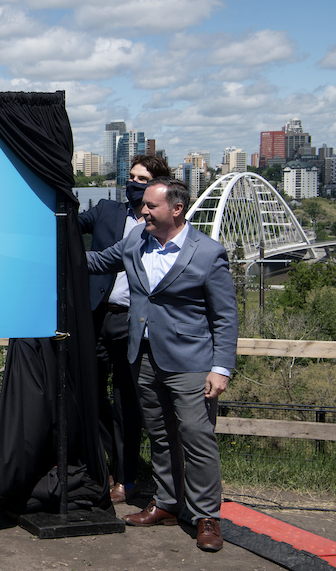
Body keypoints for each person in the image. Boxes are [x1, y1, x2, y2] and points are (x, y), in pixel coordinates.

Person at [86, 177, 238, 552]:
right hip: (145, 357)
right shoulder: (136, 239)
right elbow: (98, 261)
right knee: (160, 436)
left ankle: (206, 516)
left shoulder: (208, 252)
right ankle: (168, 504)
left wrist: (221, 367)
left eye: (151, 206)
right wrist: (51, 248)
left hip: (192, 363)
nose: (142, 211)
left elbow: (225, 316)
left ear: (176, 209)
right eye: (144, 206)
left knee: (197, 439)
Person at [79, 155, 171, 503]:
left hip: (132, 323)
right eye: (130, 177)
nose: (132, 183)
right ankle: (96, 466)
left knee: (125, 403)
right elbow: (68, 223)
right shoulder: (105, 210)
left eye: (141, 178)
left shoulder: (160, 226)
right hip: (95, 317)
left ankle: (126, 477)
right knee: (89, 393)